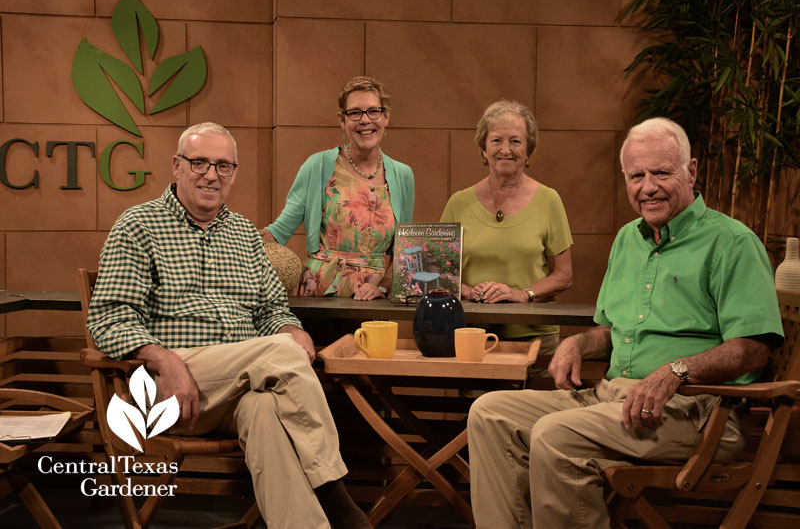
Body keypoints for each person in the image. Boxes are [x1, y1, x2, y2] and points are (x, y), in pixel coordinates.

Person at [467, 117, 785, 529]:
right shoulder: (627, 240)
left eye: (661, 173)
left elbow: (753, 347)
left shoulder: (732, 243)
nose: (647, 186)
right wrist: (577, 345)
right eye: (636, 175)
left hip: (697, 412)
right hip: (612, 398)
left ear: (690, 172)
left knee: (555, 435)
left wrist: (676, 372)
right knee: (490, 413)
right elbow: (611, 332)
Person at [87, 123, 372, 529]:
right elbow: (109, 316)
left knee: (266, 408)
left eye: (223, 166)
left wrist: (291, 328)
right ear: (177, 166)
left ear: (234, 174)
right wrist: (163, 360)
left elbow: (272, 309)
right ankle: (340, 502)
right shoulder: (138, 226)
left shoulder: (244, 234)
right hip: (171, 389)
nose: (211, 174)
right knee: (280, 354)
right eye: (199, 162)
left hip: (239, 388)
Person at [440, 99, 572, 358]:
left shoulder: (549, 200)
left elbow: (564, 275)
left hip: (535, 337)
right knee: (473, 401)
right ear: (483, 148)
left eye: (515, 141)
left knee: (532, 401)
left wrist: (522, 294)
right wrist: (468, 291)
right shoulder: (459, 203)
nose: (506, 150)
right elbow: (438, 271)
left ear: (528, 149)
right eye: (497, 140)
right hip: (471, 334)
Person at [262, 76, 414, 300]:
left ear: (386, 116)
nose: (365, 120)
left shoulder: (403, 175)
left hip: (373, 300)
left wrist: (383, 287)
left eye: (373, 111)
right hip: (318, 295)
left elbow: (403, 250)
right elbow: (279, 231)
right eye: (355, 113)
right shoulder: (317, 165)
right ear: (342, 120)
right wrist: (235, 240)